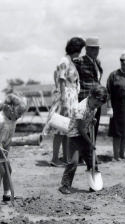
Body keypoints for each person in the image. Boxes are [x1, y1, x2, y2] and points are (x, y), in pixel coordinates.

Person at [43, 37, 85, 167]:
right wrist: (62, 97)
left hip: (71, 96)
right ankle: (55, 158)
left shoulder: (71, 61)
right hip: (66, 96)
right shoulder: (64, 61)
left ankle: (66, 158)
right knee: (60, 128)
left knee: (67, 129)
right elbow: (61, 79)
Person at [58, 85, 108, 194]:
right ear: (91, 96)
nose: (96, 107)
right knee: (73, 161)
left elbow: (88, 119)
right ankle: (65, 185)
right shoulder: (80, 108)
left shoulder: (94, 106)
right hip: (74, 137)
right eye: (95, 105)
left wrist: (92, 120)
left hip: (85, 134)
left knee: (91, 159)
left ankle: (93, 185)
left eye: (98, 106)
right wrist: (90, 142)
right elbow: (80, 128)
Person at [74, 37, 103, 139]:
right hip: (85, 100)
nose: (95, 51)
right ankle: (83, 153)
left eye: (97, 49)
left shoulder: (97, 62)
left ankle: (91, 152)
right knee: (83, 129)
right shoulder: (79, 61)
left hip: (97, 101)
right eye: (92, 48)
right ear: (86, 49)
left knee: (94, 127)